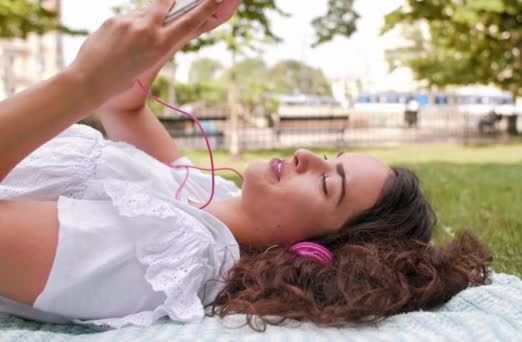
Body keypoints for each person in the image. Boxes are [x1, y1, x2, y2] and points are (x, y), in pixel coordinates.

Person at [0, 0, 491, 331]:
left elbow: (102, 96)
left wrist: (83, 82)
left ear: (310, 251)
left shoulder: (169, 257)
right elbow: (125, 107)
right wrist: (190, 23)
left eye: (327, 184)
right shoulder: (209, 200)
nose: (307, 157)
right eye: (331, 157)